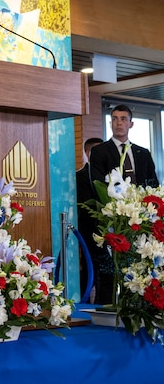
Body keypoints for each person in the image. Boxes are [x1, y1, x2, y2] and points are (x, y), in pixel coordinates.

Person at [88, 104, 159, 188]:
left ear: (131, 124)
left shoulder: (143, 153)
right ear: (111, 123)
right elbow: (98, 185)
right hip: (113, 200)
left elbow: (153, 183)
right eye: (114, 119)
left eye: (123, 119)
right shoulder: (99, 151)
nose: (119, 123)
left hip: (140, 199)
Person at [76, 136, 109, 303]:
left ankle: (105, 304)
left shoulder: (111, 175)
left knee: (107, 273)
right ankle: (84, 305)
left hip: (109, 232)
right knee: (89, 271)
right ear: (87, 153)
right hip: (88, 232)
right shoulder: (78, 176)